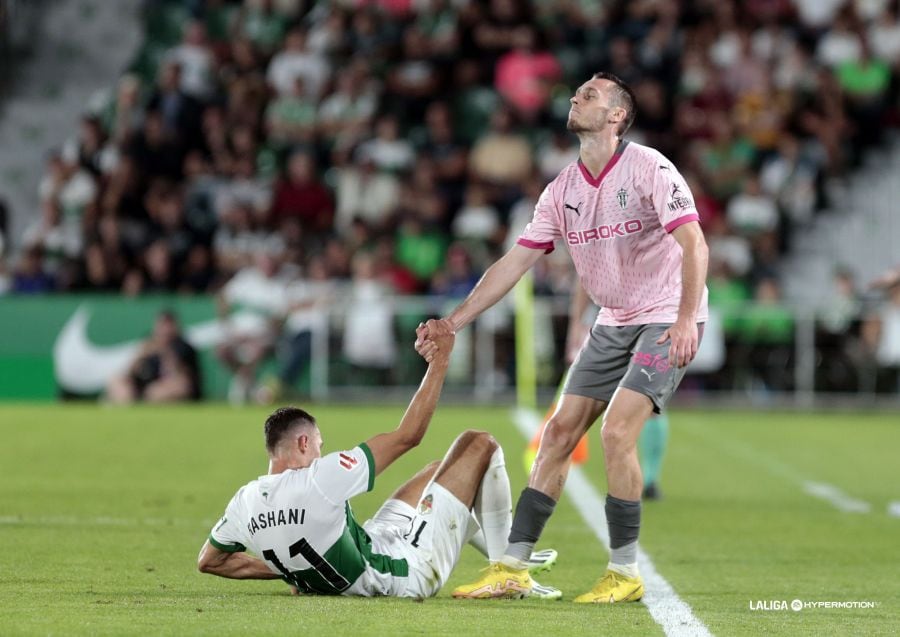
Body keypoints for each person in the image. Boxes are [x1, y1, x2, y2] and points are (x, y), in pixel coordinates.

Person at [417, 72, 709, 603]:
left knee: (617, 434)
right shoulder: (563, 189)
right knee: (556, 436)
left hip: (665, 313)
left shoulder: (650, 168)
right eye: (577, 92)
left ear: (617, 116)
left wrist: (687, 319)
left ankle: (624, 572)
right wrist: (453, 321)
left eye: (590, 94)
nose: (576, 97)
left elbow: (694, 243)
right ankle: (511, 567)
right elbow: (515, 263)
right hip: (614, 318)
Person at [197, 321, 560, 598]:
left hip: (369, 542)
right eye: (320, 445)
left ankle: (512, 554)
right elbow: (408, 436)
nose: (322, 453)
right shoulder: (319, 479)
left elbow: (209, 562)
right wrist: (441, 360)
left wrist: (296, 571)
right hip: (408, 572)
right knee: (478, 444)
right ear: (304, 442)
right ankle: (509, 571)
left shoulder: (244, 502)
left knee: (439, 472)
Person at [106, 310, 201, 403]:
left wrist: (165, 353)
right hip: (143, 388)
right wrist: (141, 355)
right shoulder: (149, 343)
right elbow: (131, 373)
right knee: (116, 381)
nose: (164, 329)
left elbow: (184, 380)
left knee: (158, 391)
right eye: (161, 325)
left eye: (168, 325)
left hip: (167, 389)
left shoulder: (183, 347)